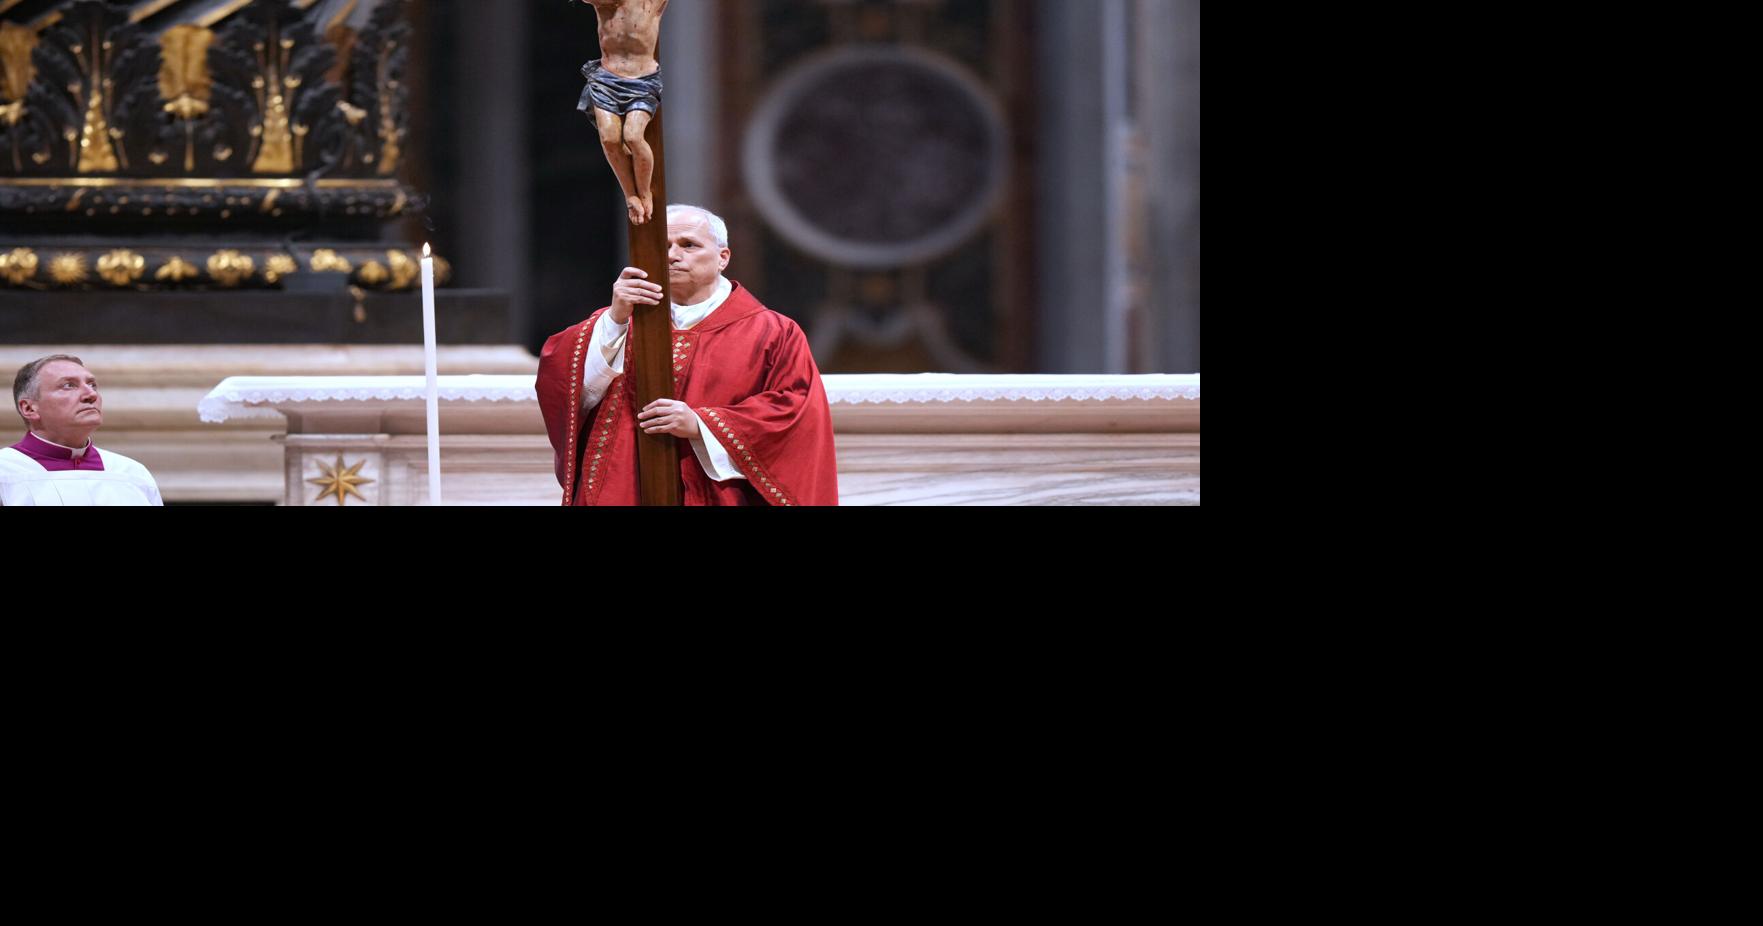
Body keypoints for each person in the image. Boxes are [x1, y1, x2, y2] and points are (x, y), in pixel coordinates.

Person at [536, 204, 840, 506]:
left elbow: (795, 410)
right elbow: (565, 385)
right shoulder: (618, 321)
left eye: (688, 245)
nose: (671, 255)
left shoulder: (774, 332)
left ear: (723, 257)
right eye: (663, 245)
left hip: (718, 493)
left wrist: (701, 424)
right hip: (623, 484)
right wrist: (615, 319)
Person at [1, 354, 163, 506]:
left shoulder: (132, 473)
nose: (91, 394)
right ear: (29, 408)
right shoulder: (5, 470)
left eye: (92, 385)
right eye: (68, 385)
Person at [578, 0, 669, 224]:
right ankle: (630, 195)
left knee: (633, 136)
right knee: (609, 139)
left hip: (642, 80)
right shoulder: (602, 4)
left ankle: (644, 193)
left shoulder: (648, 4)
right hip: (607, 80)